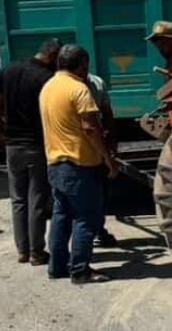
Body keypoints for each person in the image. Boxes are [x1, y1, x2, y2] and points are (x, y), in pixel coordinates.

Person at [38, 45, 118, 284]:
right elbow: (91, 128)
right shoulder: (79, 90)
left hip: (55, 163)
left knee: (61, 216)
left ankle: (57, 267)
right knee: (87, 217)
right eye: (86, 66)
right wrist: (108, 159)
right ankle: (80, 270)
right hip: (79, 164)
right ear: (82, 66)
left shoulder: (48, 87)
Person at [0, 39, 60, 266]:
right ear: (51, 56)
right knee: (38, 200)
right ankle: (36, 252)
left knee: (18, 199)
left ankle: (22, 250)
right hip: (36, 146)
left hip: (12, 145)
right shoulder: (46, 79)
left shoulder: (8, 71)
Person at [83, 72, 119, 248]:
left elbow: (106, 112)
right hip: (81, 148)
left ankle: (98, 229)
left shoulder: (97, 83)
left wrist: (111, 139)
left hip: (94, 145)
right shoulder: (70, 88)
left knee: (99, 192)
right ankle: (88, 234)